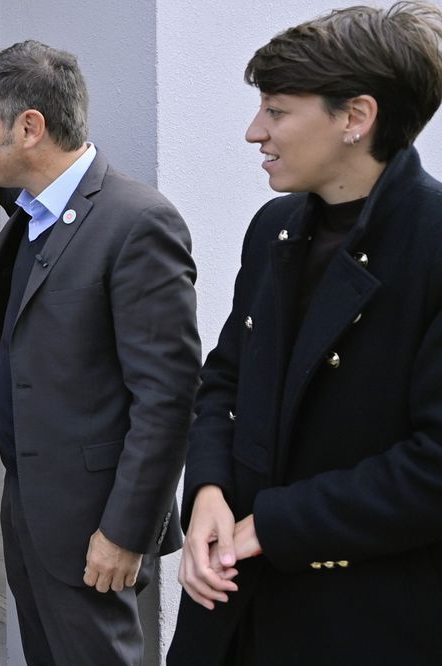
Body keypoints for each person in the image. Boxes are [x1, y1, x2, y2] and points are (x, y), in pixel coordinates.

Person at [169, 3, 442, 664]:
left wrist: (274, 525)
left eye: (277, 111)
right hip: (232, 610)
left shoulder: (433, 244)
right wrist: (205, 494)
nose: (253, 132)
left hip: (363, 622)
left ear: (356, 117)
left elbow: (434, 465)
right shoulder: (274, 229)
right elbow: (223, 379)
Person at [0, 40, 201, 665]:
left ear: (29, 128)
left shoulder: (136, 221)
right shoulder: (34, 210)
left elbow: (167, 398)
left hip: (94, 522)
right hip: (28, 503)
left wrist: (125, 532)